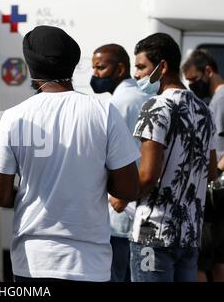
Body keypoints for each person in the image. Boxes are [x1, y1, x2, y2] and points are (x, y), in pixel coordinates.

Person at [0, 25, 140, 282]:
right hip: (89, 264)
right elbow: (128, 189)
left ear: (31, 67)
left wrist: (35, 196)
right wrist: (93, 183)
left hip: (33, 261)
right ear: (72, 64)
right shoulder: (103, 112)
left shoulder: (13, 118)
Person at [130, 33, 217, 282]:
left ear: (163, 66)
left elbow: (147, 176)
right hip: (190, 236)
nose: (136, 75)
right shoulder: (204, 110)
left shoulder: (156, 106)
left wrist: (119, 196)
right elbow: (210, 172)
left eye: (141, 66)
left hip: (152, 234)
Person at [91, 44, 155, 282]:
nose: (96, 74)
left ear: (120, 69)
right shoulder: (144, 96)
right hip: (142, 210)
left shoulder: (120, 103)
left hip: (119, 211)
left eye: (101, 67)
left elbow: (106, 159)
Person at [182, 49, 224, 282]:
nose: (193, 86)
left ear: (208, 71)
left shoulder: (221, 99)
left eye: (195, 80)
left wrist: (214, 171)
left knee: (202, 259)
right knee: (217, 259)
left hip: (215, 193)